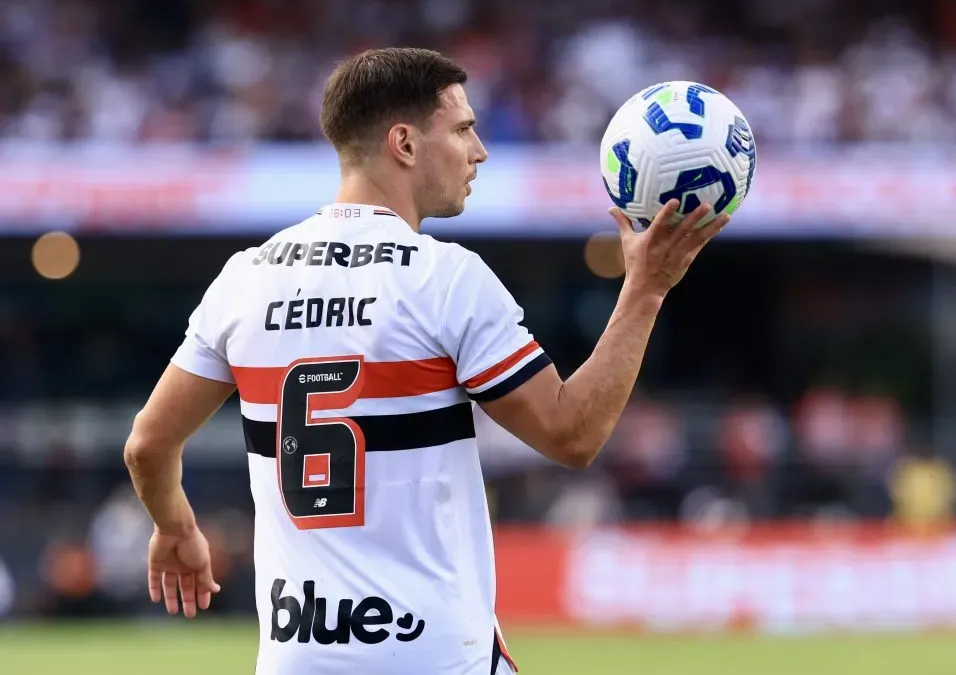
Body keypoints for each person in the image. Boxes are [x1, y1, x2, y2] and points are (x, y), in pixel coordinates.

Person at [123, 47, 728, 675]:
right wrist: (646, 290)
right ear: (405, 144)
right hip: (432, 657)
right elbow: (572, 435)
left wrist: (175, 527)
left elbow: (146, 445)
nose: (480, 150)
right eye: (464, 128)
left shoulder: (244, 279)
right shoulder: (446, 278)